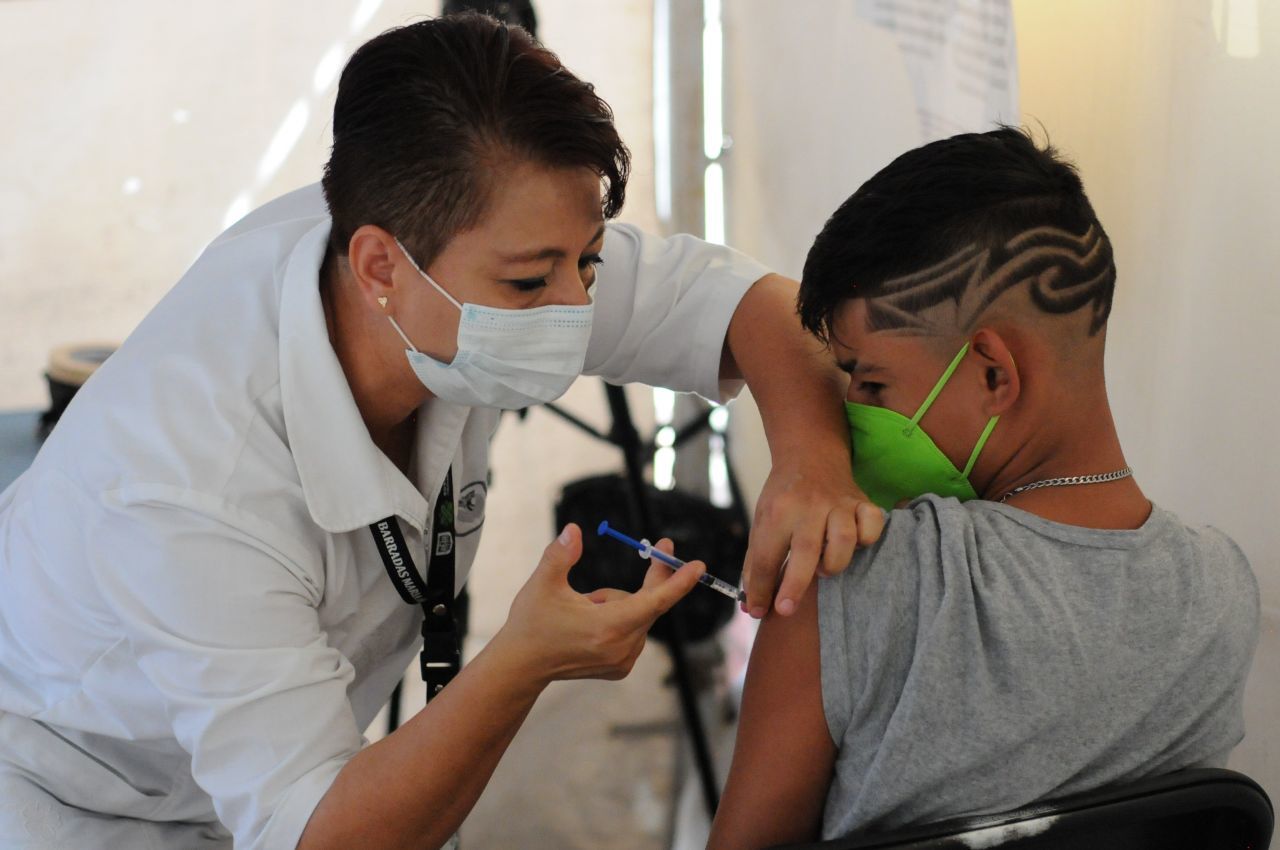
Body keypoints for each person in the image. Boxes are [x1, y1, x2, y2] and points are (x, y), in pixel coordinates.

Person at [0, 15, 883, 850]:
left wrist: (810, 464)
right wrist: (522, 663)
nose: (577, 311)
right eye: (535, 284)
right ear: (381, 265)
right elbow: (322, 834)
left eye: (591, 263)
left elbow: (744, 303)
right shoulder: (192, 484)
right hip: (75, 797)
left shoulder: (461, 261)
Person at [708, 127, 1260, 849]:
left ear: (994, 375)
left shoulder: (846, 575)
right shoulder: (1223, 592)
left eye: (870, 381)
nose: (849, 415)